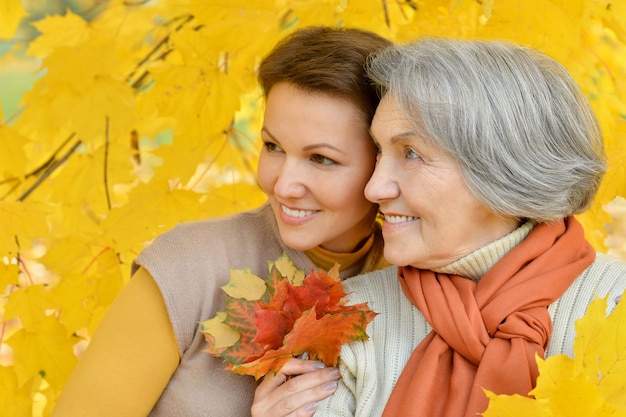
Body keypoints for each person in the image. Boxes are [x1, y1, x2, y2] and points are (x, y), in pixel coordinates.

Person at [255, 37, 626, 417]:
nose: (374, 187)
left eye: (411, 154)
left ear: (503, 172)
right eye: (379, 151)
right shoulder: (349, 318)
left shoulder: (617, 308)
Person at [52, 26, 392, 417]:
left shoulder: (418, 286)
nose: (283, 184)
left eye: (321, 159)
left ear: (384, 162)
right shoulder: (187, 267)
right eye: (273, 147)